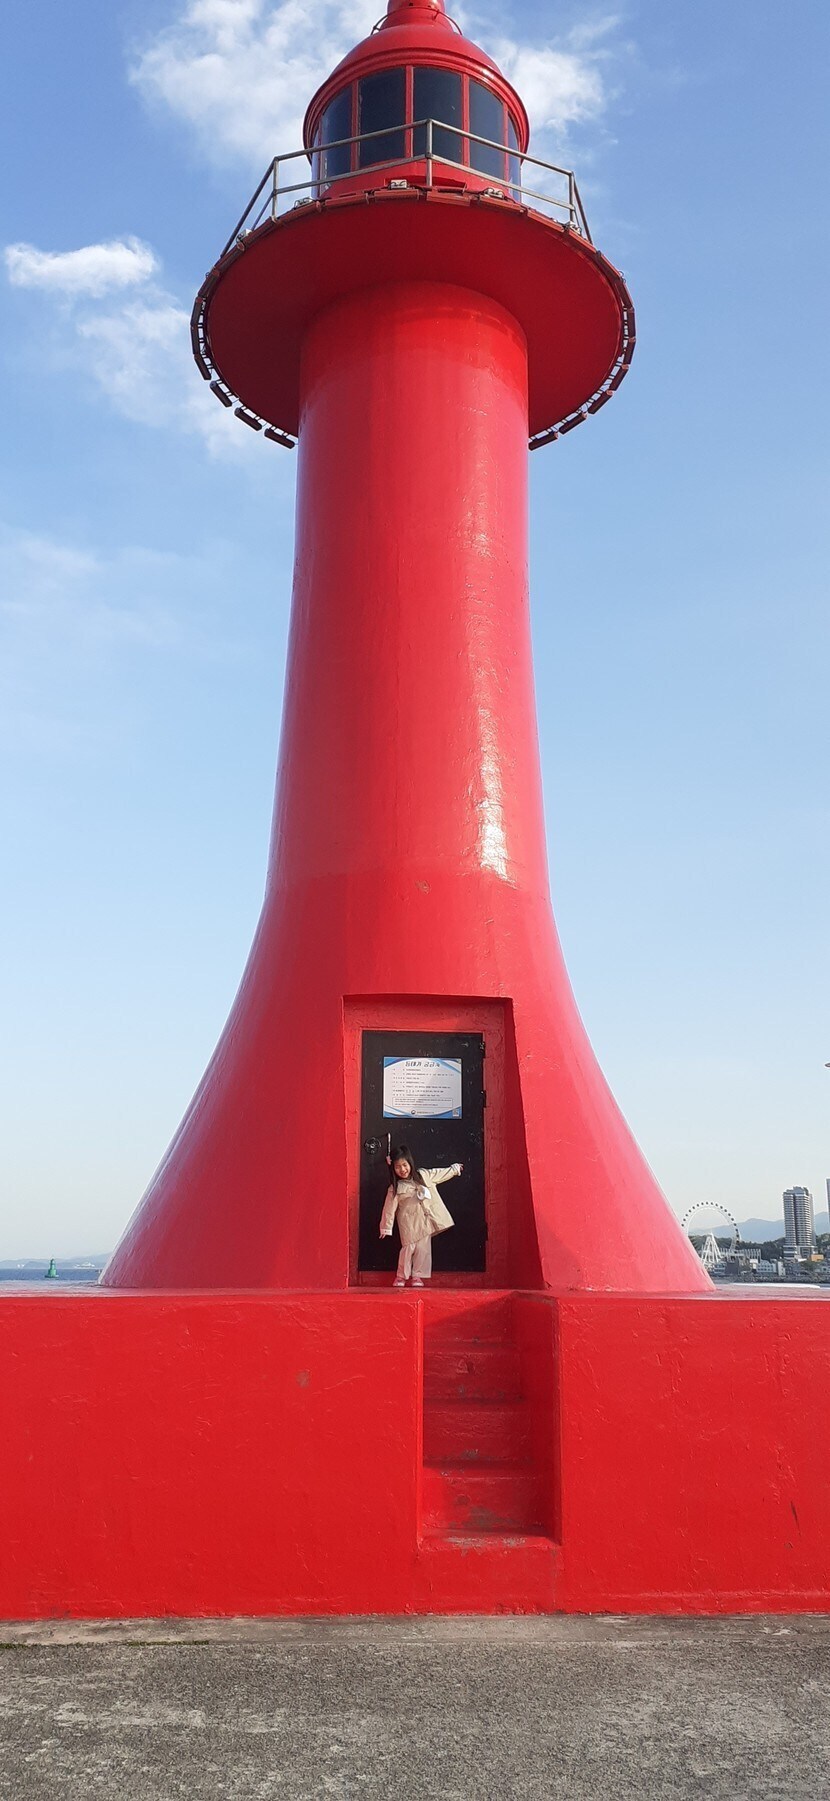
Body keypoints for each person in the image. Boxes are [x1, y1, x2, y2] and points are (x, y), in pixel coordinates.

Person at [380, 1145, 463, 1288]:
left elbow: (439, 1173)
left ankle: (417, 1275)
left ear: (410, 1163)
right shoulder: (395, 1188)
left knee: (423, 1250)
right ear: (393, 1169)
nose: (402, 1169)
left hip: (425, 1222)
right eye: (398, 1167)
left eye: (404, 1165)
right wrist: (386, 1227)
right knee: (408, 1249)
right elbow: (388, 1209)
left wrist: (454, 1170)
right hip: (409, 1224)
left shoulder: (423, 1175)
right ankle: (401, 1276)